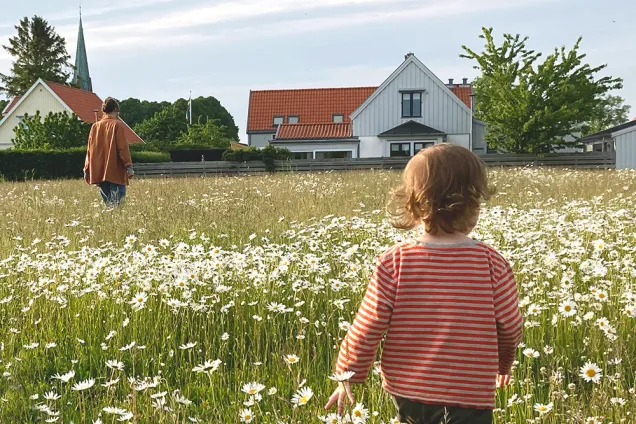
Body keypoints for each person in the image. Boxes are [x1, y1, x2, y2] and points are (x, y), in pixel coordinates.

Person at [325, 144, 523, 424]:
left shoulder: (395, 261)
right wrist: (504, 362)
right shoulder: (492, 263)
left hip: (409, 392)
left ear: (414, 204)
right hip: (470, 394)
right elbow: (510, 325)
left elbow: (368, 325)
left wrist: (347, 375)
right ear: (473, 203)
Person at [83, 97, 134, 206]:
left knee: (108, 206)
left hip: (99, 171)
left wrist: (87, 169)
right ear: (116, 109)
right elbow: (123, 148)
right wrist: (128, 166)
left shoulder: (95, 127)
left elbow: (89, 150)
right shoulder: (117, 125)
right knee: (117, 205)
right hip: (115, 171)